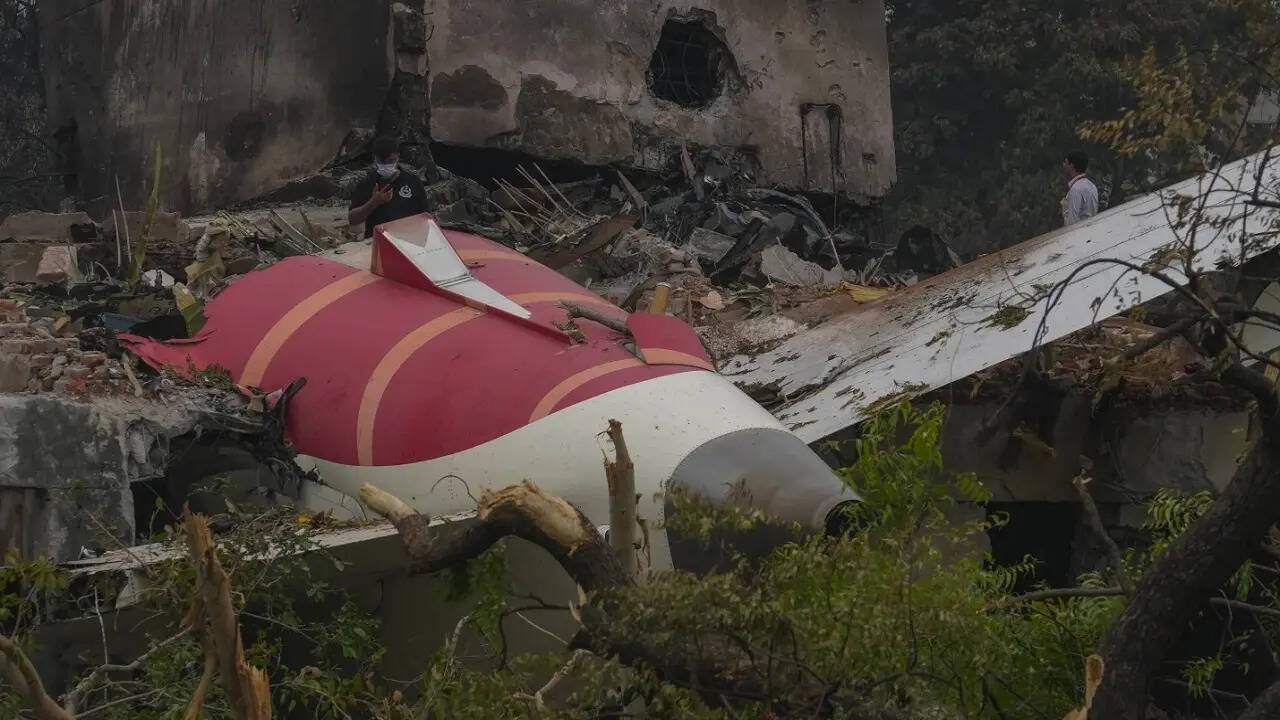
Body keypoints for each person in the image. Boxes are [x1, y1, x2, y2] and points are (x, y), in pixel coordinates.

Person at [348, 136, 428, 238]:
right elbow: (353, 219)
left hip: (408, 240)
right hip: (379, 241)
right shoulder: (366, 183)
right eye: (381, 162)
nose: (386, 165)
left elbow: (425, 217)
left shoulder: (413, 181)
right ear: (374, 159)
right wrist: (374, 202)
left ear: (398, 156)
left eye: (390, 161)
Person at [1061, 150, 1099, 226]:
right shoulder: (1091, 185)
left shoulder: (1076, 189)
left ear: (1071, 165)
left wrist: (1065, 211)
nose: (1063, 165)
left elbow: (1072, 222)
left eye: (1065, 162)